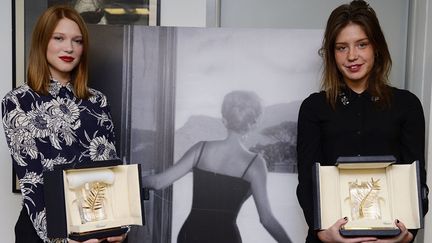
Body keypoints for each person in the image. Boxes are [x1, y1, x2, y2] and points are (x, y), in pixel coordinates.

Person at [296, 0, 429, 242]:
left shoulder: (407, 105)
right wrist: (323, 234)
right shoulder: (313, 108)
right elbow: (307, 180)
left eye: (362, 44)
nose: (352, 56)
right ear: (332, 54)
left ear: (376, 47)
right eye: (341, 48)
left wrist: (409, 235)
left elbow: (416, 178)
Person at [2, 5, 126, 243]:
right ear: (42, 42)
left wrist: (118, 225)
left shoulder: (97, 100)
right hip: (44, 231)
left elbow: (110, 171)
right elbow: (32, 179)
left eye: (77, 41)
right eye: (59, 38)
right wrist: (63, 240)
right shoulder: (17, 101)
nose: (69, 48)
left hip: (95, 227)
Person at [143, 90, 292, 243]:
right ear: (252, 124)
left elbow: (157, 182)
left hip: (191, 235)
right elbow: (266, 219)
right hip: (225, 238)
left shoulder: (201, 149)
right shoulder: (255, 164)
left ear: (224, 119)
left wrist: (123, 178)